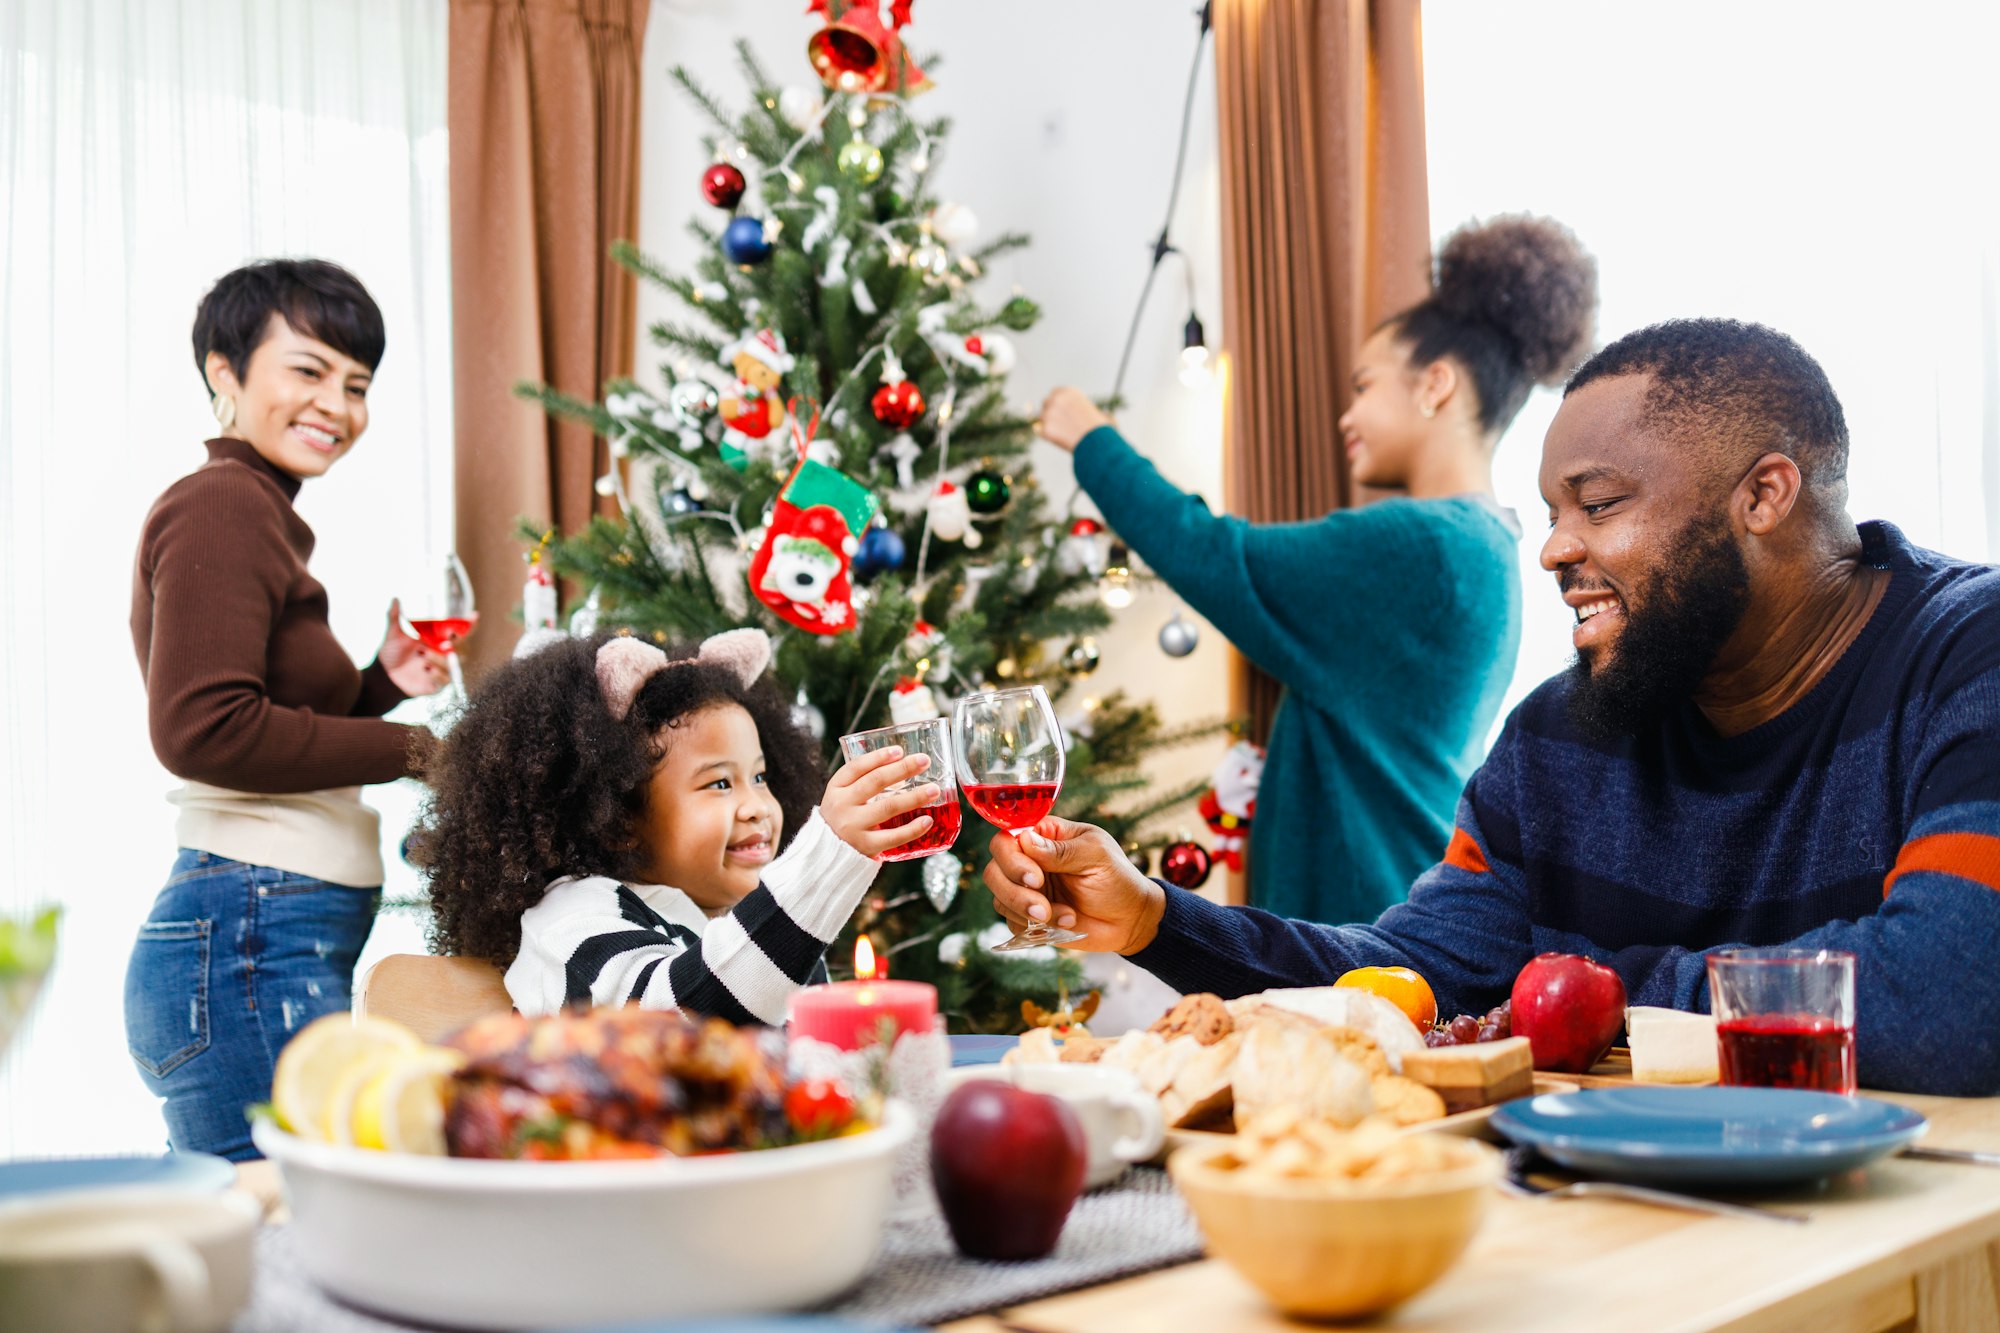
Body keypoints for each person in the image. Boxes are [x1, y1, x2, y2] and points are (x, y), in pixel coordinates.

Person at [989, 318, 2000, 1097]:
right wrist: (1154, 917)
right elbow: (1411, 975)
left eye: (1597, 504)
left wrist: (1583, 989)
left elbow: (1948, 998)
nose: (1554, 548)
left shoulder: (1969, 657)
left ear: (1763, 495)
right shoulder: (1555, 737)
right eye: (1552, 511)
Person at [1038, 216, 1598, 924]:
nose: (1345, 415)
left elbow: (1218, 555)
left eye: (1364, 385)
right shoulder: (1482, 543)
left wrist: (1093, 441)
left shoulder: (1427, 547)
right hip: (1397, 905)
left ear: (1435, 385)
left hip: (1365, 923)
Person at [127, 259, 448, 1161]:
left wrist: (378, 683)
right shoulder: (223, 502)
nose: (336, 406)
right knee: (289, 1223)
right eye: (308, 370)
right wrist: (416, 746)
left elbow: (276, 722)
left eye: (357, 385)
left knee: (283, 1219)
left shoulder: (255, 509)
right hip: (248, 933)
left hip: (253, 930)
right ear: (224, 372)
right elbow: (205, 730)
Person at [410, 629, 940, 1022]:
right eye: (719, 783)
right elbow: (681, 1020)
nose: (757, 806)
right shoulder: (572, 920)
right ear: (618, 819)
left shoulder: (744, 921)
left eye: (759, 777)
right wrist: (826, 860)